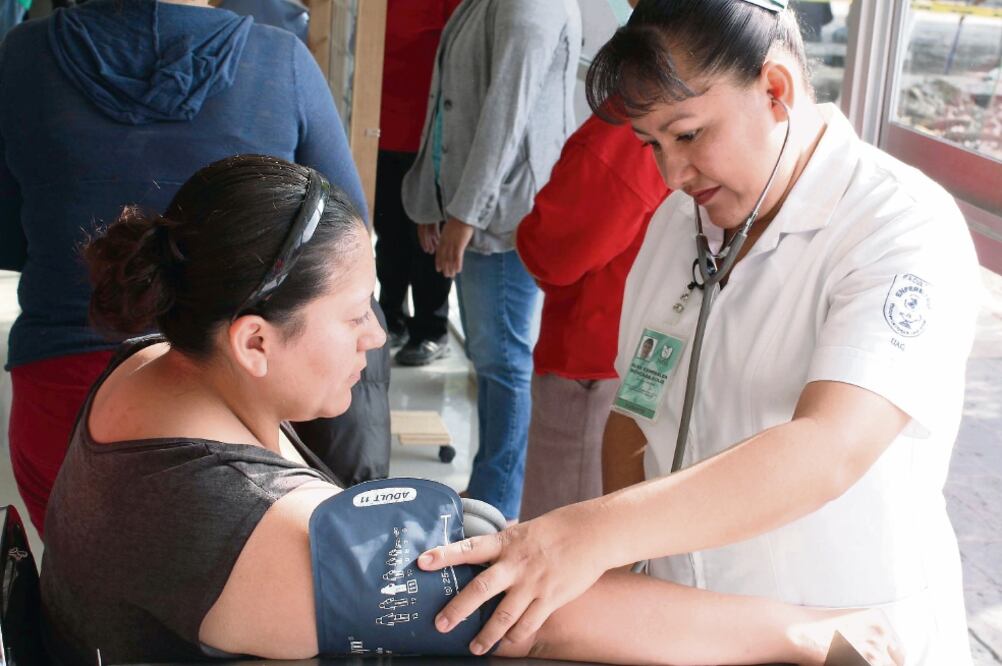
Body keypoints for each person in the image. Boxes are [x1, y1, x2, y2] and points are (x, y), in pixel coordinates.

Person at [41, 154, 902, 666]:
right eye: (351, 318)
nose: (378, 338)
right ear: (255, 342)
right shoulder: (246, 532)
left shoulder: (153, 362)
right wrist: (807, 634)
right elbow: (536, 607)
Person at [417, 1, 980, 663]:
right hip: (692, 628)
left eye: (687, 135)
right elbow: (634, 407)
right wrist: (624, 583)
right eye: (652, 144)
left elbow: (828, 448)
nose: (671, 174)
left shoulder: (899, 228)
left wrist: (593, 533)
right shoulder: (675, 226)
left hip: (847, 633)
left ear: (776, 90)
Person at [0, 0, 388, 535]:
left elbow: (7, 237)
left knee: (90, 597)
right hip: (231, 382)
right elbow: (346, 238)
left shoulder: (24, 55)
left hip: (61, 391)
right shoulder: (279, 60)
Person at [402, 0, 582, 520]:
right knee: (494, 358)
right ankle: (490, 491)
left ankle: (494, 504)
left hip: (502, 217)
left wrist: (465, 212)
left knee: (502, 360)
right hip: (482, 208)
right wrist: (436, 198)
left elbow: (508, 109)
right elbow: (451, 105)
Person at [516, 110, 668, 521]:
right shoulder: (683, 121)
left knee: (560, 527)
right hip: (642, 347)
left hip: (591, 351)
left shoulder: (625, 133)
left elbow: (554, 251)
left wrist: (525, 237)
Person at [375, 0, 462, 365]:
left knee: (428, 241)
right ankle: (391, 315)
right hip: (378, 128)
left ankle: (431, 328)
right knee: (389, 233)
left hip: (430, 137)